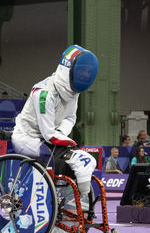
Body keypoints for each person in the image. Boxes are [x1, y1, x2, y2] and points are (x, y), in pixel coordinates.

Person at [11, 44, 99, 198]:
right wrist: (69, 142)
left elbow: (70, 118)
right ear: (69, 69)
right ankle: (39, 199)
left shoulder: (73, 92)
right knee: (52, 158)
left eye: (89, 71)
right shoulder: (44, 94)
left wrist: (62, 134)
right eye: (82, 70)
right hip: (28, 138)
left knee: (87, 161)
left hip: (50, 139)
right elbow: (49, 134)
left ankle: (81, 203)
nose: (85, 74)